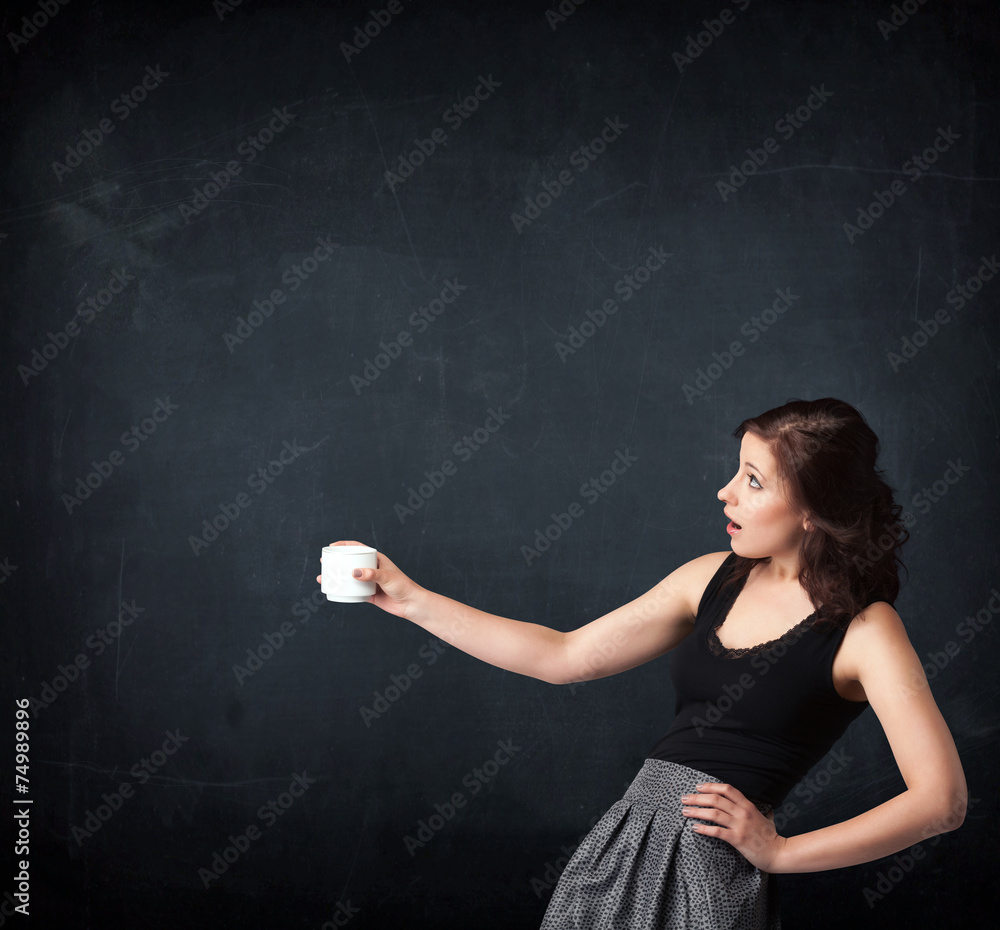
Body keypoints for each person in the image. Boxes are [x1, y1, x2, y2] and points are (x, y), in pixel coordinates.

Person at [317, 397, 967, 929]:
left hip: (709, 871)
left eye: (753, 480)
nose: (725, 493)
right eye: (736, 470)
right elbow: (562, 656)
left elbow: (941, 801)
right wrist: (410, 600)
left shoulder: (866, 630)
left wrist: (781, 852)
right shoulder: (711, 577)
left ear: (813, 511)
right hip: (622, 844)